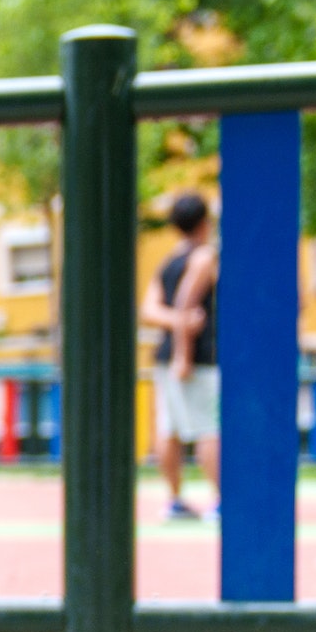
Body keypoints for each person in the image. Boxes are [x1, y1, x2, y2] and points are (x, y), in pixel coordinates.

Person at [141, 191, 219, 521]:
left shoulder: (169, 261)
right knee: (207, 427)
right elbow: (188, 302)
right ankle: (221, 498)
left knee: (169, 428)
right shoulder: (204, 257)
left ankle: (174, 498)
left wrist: (174, 325)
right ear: (205, 221)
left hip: (165, 354)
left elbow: (150, 309)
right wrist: (183, 349)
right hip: (196, 357)